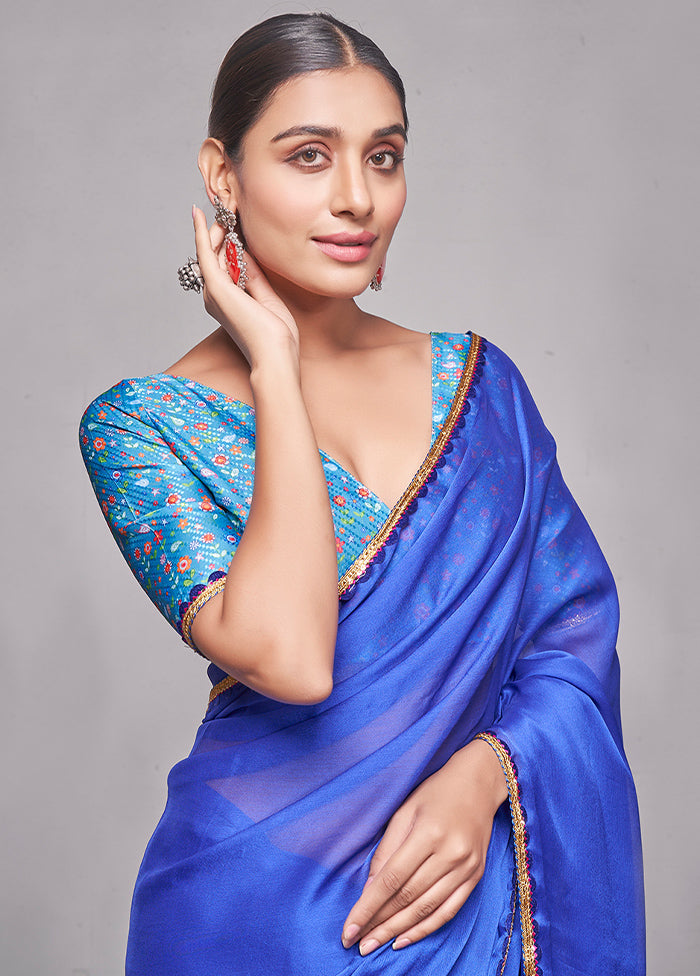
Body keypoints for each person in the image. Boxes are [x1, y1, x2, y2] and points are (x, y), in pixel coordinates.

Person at [79, 12, 645, 975]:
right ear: (223, 176)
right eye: (308, 155)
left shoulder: (482, 391)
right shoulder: (141, 426)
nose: (355, 197)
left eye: (383, 157)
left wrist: (488, 772)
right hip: (252, 914)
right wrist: (273, 363)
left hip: (463, 899)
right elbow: (293, 660)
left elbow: (572, 641)